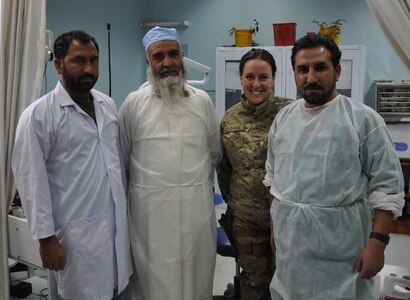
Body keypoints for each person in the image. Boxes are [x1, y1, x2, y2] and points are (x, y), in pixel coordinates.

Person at [263, 34, 405, 300]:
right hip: (291, 248)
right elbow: (273, 182)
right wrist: (274, 231)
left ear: (337, 71)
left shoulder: (362, 120)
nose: (310, 77)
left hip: (343, 251)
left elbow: (387, 188)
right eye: (302, 69)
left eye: (320, 67)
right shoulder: (284, 119)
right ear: (294, 73)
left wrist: (378, 244)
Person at [11, 30, 133, 300]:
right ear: (58, 65)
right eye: (79, 60)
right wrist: (45, 239)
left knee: (116, 289)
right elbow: (31, 181)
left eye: (94, 60)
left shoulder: (108, 105)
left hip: (114, 230)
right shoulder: (39, 116)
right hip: (75, 236)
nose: (89, 68)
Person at [119, 26, 222, 300]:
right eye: (158, 56)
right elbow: (123, 161)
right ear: (148, 62)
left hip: (196, 214)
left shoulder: (203, 102)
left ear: (182, 56)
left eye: (173, 54)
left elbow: (214, 154)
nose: (167, 63)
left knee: (197, 282)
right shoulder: (133, 104)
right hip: (150, 220)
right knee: (155, 286)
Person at [216, 48, 293, 300]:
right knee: (253, 286)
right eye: (250, 77)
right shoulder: (230, 119)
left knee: (290, 284)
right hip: (246, 223)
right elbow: (225, 169)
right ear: (240, 79)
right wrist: (239, 203)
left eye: (263, 77)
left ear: (274, 78)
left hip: (288, 219)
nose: (256, 84)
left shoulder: (290, 114)